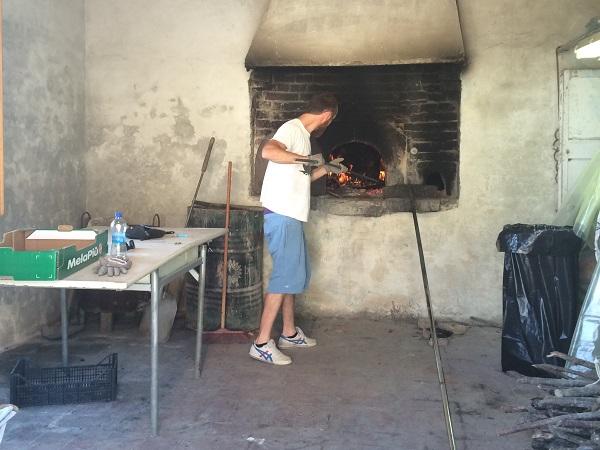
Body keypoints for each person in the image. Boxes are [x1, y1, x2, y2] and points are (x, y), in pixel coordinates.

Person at [250, 93, 346, 365]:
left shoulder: (303, 136)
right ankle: (261, 343)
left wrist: (325, 167)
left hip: (290, 215)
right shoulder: (291, 129)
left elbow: (303, 176)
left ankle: (289, 333)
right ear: (327, 115)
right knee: (283, 276)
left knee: (291, 274)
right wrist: (307, 160)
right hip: (281, 215)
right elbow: (268, 151)